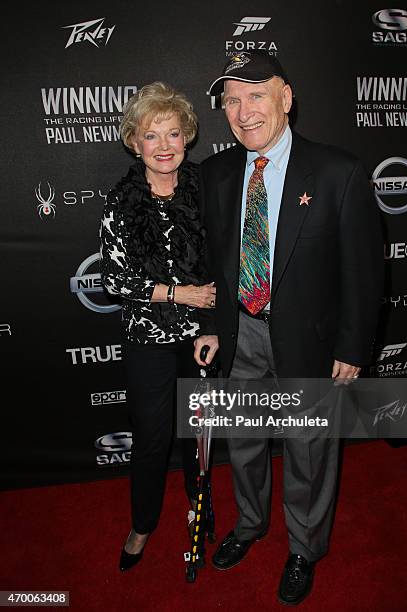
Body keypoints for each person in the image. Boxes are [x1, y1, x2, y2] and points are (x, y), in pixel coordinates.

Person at [194, 51, 384, 605]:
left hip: (313, 340)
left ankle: (304, 547)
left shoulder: (338, 171)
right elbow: (211, 262)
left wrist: (352, 344)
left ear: (286, 98)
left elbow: (364, 270)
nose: (243, 110)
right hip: (242, 334)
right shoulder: (216, 173)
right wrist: (211, 323)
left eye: (256, 94)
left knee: (308, 449)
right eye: (231, 98)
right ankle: (250, 524)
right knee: (246, 443)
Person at [100, 81, 216, 572]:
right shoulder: (119, 202)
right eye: (152, 135)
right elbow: (113, 279)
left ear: (187, 137)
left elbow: (220, 264)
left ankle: (200, 505)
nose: (164, 146)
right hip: (147, 337)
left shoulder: (207, 189)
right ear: (134, 141)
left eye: (173, 134)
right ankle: (143, 523)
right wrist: (177, 293)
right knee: (151, 438)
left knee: (196, 434)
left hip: (198, 336)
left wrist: (209, 324)